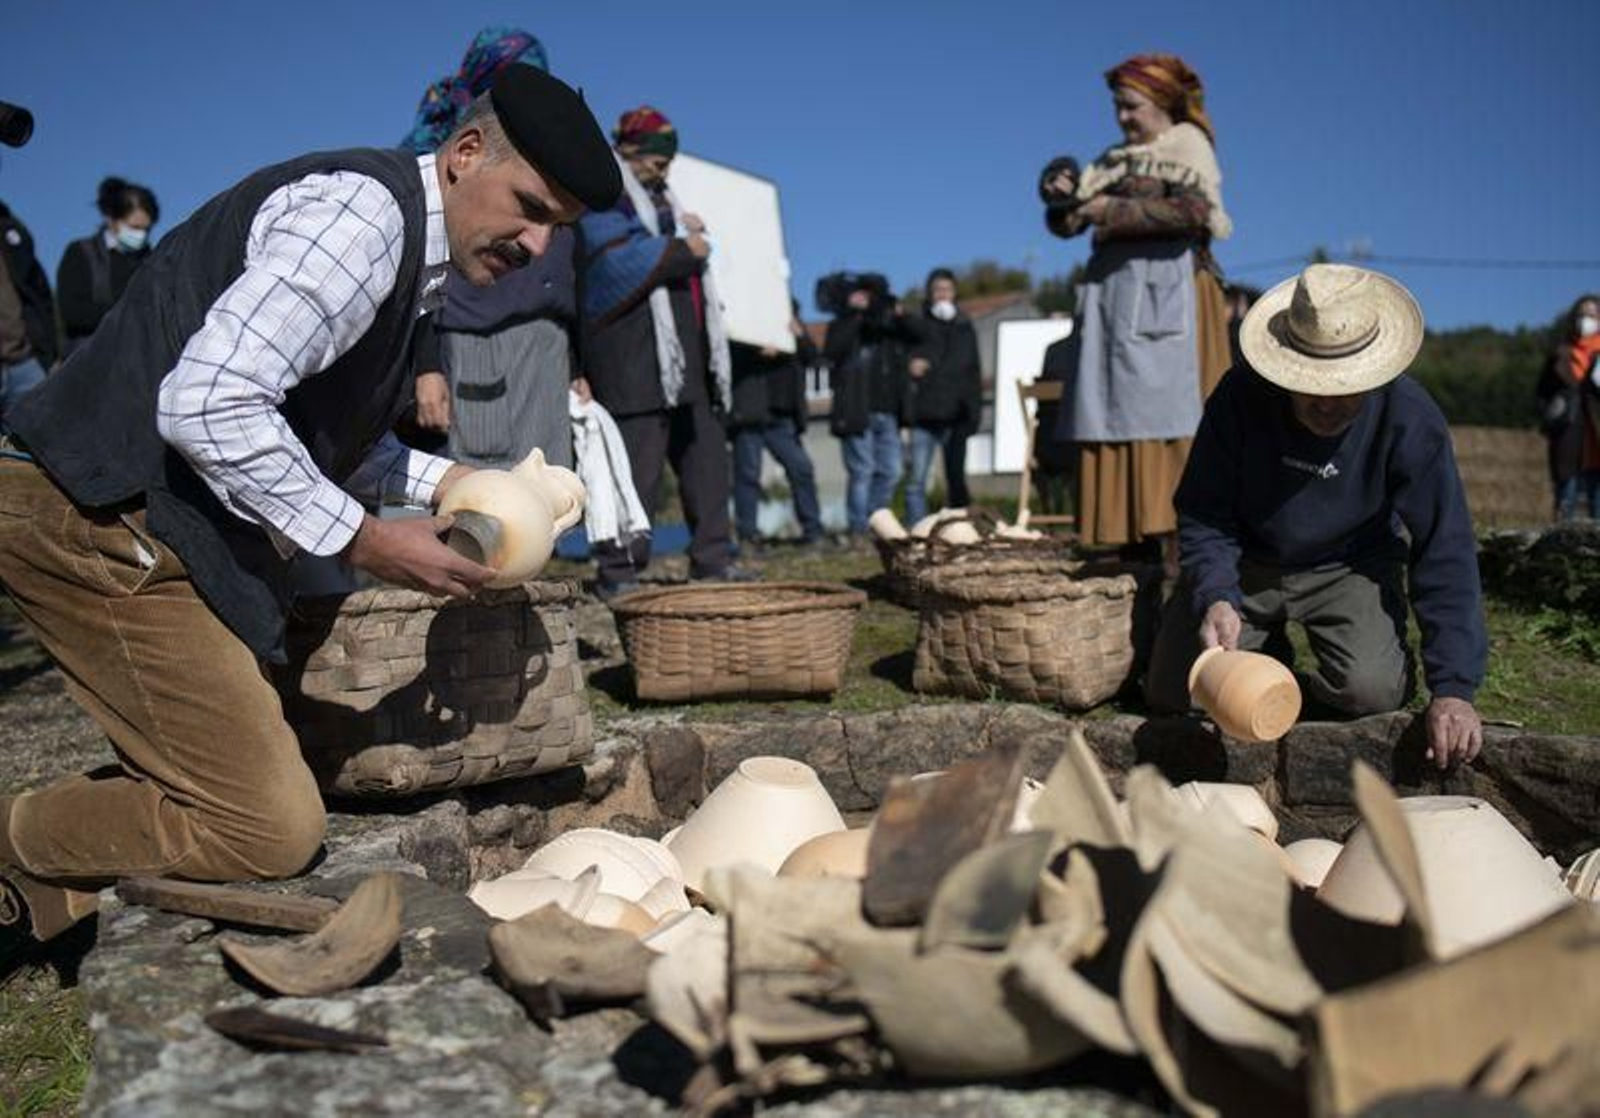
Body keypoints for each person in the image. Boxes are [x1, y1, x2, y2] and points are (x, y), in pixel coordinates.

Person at [0, 65, 622, 942]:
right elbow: (207, 401)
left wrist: (448, 484)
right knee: (267, 826)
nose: (535, 245)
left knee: (250, 772)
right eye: (528, 206)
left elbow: (326, 434)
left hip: (143, 519)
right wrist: (368, 542)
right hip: (92, 515)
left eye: (556, 227)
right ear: (466, 152)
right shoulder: (362, 221)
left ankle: (55, 890)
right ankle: (13, 843)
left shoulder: (415, 261)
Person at [1144, 264, 1487, 771]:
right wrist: (1216, 593)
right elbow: (1204, 511)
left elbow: (1446, 547)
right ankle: (1263, 656)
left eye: (1345, 386)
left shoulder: (1411, 417)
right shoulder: (1239, 398)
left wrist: (1454, 687)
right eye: (1310, 384)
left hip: (1350, 564)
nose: (1327, 403)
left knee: (1372, 691)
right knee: (1176, 691)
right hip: (1248, 561)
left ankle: (1284, 680)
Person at [1039, 53, 1233, 567]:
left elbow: (1194, 213)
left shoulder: (1187, 148)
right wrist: (1060, 195)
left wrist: (1111, 211)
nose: (1123, 118)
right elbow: (1065, 224)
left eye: (1132, 107)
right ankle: (1130, 543)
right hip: (1112, 300)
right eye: (1118, 108)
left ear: (1163, 102)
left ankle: (1181, 540)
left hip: (1168, 296)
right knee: (1111, 412)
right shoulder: (1112, 160)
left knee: (1170, 412)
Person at [575, 105, 743, 597]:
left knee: (707, 461)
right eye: (654, 160)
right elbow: (610, 264)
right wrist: (679, 250)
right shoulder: (604, 196)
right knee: (636, 468)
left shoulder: (665, 202)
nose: (662, 170)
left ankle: (714, 557)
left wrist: (687, 235)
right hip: (633, 360)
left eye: (666, 163)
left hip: (688, 358)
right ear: (628, 151)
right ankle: (620, 571)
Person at [401, 27, 578, 470]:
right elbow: (416, 272)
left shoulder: (554, 161)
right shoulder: (437, 161)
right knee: (478, 488)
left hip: (545, 347)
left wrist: (575, 367)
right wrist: (426, 367)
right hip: (470, 343)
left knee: (544, 487)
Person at [728, 302, 824, 548]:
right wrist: (754, 350)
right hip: (749, 413)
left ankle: (813, 531)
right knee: (748, 475)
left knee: (801, 469)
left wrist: (799, 335)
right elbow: (726, 356)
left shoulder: (790, 314)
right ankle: (748, 534)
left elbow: (812, 357)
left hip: (782, 415)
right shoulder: (742, 318)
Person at [824, 275, 911, 537]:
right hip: (855, 411)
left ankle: (876, 520)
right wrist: (854, 315)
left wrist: (895, 315)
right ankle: (858, 528)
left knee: (892, 471)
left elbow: (914, 338)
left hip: (887, 411)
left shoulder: (887, 329)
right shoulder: (842, 324)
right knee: (862, 471)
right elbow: (832, 352)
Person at [902, 268, 982, 524]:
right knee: (917, 480)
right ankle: (918, 532)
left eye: (947, 290)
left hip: (956, 416)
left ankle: (962, 532)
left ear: (954, 293)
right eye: (937, 290)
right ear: (930, 293)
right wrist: (910, 365)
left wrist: (973, 414)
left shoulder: (964, 327)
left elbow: (973, 373)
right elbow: (899, 358)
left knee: (956, 478)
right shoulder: (917, 325)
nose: (942, 295)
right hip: (923, 416)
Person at [55, 177, 160, 357]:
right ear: (111, 219)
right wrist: (129, 312)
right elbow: (73, 313)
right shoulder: (81, 253)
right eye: (134, 227)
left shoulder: (154, 260)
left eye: (146, 229)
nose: (140, 235)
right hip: (89, 358)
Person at [1535, 294, 1600, 521]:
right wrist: (1551, 415)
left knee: (1597, 495)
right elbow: (1541, 392)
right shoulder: (1559, 354)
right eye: (1582, 314)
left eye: (1592, 315)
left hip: (1596, 436)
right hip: (1567, 433)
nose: (1586, 320)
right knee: (1566, 495)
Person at [0, 198, 56, 430]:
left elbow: (39, 295)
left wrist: (49, 353)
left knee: (43, 441)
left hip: (24, 361)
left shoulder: (12, 231)